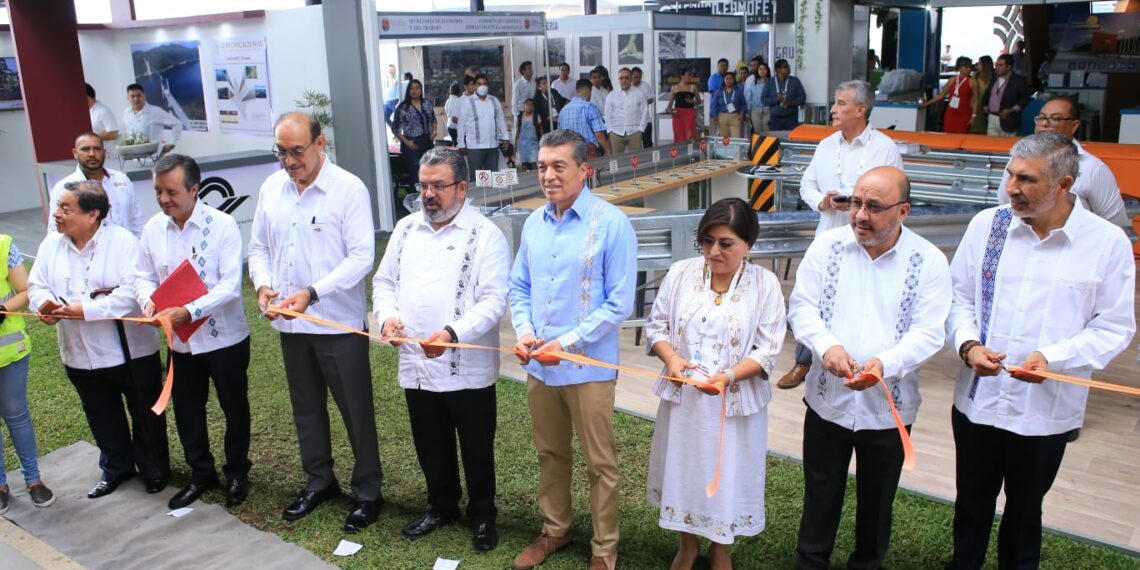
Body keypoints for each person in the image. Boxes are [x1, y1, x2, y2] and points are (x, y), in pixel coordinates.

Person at [944, 132, 1135, 570]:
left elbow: (1114, 327)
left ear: (1064, 184)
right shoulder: (988, 226)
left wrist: (1053, 357)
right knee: (971, 501)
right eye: (1010, 174)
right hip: (978, 400)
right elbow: (959, 299)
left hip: (1045, 410)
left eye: (1026, 179)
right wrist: (968, 345)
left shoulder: (1105, 243)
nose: (1011, 187)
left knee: (1026, 509)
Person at [788, 166, 952, 570]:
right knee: (820, 492)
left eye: (874, 207)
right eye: (856, 203)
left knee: (877, 501)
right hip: (827, 400)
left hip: (888, 406)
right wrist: (827, 346)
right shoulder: (826, 247)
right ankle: (811, 562)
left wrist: (885, 364)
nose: (860, 215)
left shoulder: (928, 261)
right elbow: (802, 306)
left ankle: (866, 563)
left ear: (903, 211)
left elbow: (930, 332)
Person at [509, 129, 637, 570]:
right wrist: (525, 331)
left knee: (600, 463)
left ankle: (604, 548)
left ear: (585, 170)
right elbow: (519, 286)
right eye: (542, 166)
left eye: (558, 166)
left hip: (588, 368)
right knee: (550, 453)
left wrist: (564, 344)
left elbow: (619, 302)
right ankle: (555, 529)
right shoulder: (533, 223)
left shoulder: (611, 223)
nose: (548, 175)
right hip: (540, 366)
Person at [248, 112, 382, 533]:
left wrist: (313, 292)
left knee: (355, 410)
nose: (289, 161)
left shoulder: (348, 189)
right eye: (281, 152)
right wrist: (263, 285)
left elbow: (361, 257)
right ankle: (318, 481)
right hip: (291, 325)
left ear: (320, 143)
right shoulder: (272, 188)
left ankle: (368, 492)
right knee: (306, 408)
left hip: (337, 324)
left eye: (297, 151)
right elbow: (258, 247)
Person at [373, 147, 511, 553]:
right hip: (417, 361)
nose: (428, 195)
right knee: (429, 440)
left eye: (438, 186)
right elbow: (384, 283)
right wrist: (387, 317)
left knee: (476, 445)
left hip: (466, 365)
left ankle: (483, 515)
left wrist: (452, 333)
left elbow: (493, 301)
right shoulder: (405, 230)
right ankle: (442, 506)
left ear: (462, 188)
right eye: (423, 186)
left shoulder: (486, 235)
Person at [645, 198, 786, 570]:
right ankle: (687, 544)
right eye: (706, 241)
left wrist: (728, 377)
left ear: (748, 244)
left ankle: (720, 546)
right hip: (685, 401)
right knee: (685, 469)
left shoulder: (765, 284)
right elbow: (656, 327)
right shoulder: (681, 273)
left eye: (726, 243)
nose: (713, 252)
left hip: (733, 405)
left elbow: (769, 349)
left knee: (728, 473)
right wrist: (672, 359)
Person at [28, 180, 170, 500]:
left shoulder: (123, 242)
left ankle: (154, 469)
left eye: (65, 208)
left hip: (130, 351)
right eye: (58, 207)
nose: (57, 214)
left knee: (145, 414)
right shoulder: (52, 244)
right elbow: (37, 285)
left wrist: (86, 310)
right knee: (101, 414)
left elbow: (132, 294)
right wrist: (45, 306)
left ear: (92, 214)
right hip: (79, 353)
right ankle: (116, 468)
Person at [135, 154, 252, 510]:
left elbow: (230, 286)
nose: (163, 199)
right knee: (187, 409)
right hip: (181, 342)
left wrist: (189, 311)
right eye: (158, 192)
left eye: (171, 192)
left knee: (234, 407)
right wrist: (149, 302)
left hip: (224, 338)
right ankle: (201, 474)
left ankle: (237, 473)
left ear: (194, 189)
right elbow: (142, 275)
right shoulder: (154, 228)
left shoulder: (222, 225)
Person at [776, 81, 904, 391]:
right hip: (828, 234)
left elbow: (896, 191)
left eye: (840, 103)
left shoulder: (884, 147)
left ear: (861, 109)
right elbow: (807, 185)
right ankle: (804, 361)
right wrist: (823, 202)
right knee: (813, 298)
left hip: (868, 241)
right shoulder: (826, 145)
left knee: (860, 298)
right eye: (834, 103)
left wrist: (862, 203)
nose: (833, 109)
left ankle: (864, 361)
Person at [996, 96, 1128, 228]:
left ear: (1074, 125)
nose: (1045, 123)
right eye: (1041, 117)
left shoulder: (1093, 168)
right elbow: (1005, 204)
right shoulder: (1019, 159)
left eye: (1055, 118)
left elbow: (1114, 224)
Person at [0, 232, 55, 512]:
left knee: (16, 415)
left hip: (9, 352)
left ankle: (34, 481)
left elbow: (25, 291)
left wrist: (2, 309)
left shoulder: (3, 244)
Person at [47, 132, 146, 237]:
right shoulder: (63, 188)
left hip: (125, 246)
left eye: (97, 149)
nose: (92, 154)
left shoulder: (121, 179)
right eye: (85, 149)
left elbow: (137, 220)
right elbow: (55, 231)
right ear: (75, 153)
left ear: (104, 152)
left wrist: (140, 245)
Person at [456, 74, 510, 180]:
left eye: (485, 84)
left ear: (488, 85)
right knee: (475, 179)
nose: (482, 86)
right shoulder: (467, 102)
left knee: (493, 177)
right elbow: (461, 125)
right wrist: (461, 144)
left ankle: (492, 192)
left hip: (492, 146)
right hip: (474, 147)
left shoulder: (494, 101)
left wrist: (506, 137)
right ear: (475, 86)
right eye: (479, 84)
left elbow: (501, 120)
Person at [393, 79, 437, 186]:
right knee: (416, 176)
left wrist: (434, 132)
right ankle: (416, 196)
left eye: (417, 88)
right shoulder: (403, 107)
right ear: (408, 90)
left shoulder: (427, 104)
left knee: (430, 173)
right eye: (412, 88)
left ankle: (429, 194)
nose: (414, 91)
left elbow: (433, 120)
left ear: (421, 90)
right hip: (411, 143)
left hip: (427, 141)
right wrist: (408, 143)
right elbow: (395, 128)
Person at [921, 56, 978, 134]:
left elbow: (976, 100)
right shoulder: (952, 80)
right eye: (966, 67)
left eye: (970, 67)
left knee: (962, 137)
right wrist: (926, 104)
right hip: (951, 114)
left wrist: (973, 116)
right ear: (959, 68)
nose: (969, 69)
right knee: (949, 136)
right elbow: (941, 95)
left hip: (964, 115)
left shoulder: (973, 81)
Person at [121, 83, 182, 157]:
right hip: (133, 156)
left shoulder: (155, 111)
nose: (136, 99)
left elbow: (177, 124)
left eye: (139, 95)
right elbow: (128, 132)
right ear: (128, 98)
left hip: (154, 156)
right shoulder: (127, 112)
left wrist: (172, 143)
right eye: (132, 96)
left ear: (144, 96)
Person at [982, 54, 1031, 137]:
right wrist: (985, 105)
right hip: (992, 118)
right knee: (991, 143)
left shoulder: (1018, 81)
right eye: (996, 65)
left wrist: (1012, 110)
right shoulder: (994, 78)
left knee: (1006, 145)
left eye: (1000, 65)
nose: (997, 68)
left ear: (1008, 67)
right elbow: (987, 94)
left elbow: (1025, 99)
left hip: (1008, 120)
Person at [558, 79, 610, 157]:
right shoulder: (590, 108)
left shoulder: (563, 111)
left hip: (569, 153)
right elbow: (599, 135)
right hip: (588, 152)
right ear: (588, 92)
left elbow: (560, 136)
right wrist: (609, 151)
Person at [604, 67, 647, 154]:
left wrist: (641, 129)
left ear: (631, 79)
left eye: (627, 78)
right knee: (616, 159)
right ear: (618, 79)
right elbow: (607, 114)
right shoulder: (612, 95)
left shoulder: (639, 93)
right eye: (621, 78)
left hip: (635, 132)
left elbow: (644, 112)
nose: (624, 80)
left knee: (636, 159)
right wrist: (609, 130)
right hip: (616, 133)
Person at [762, 59, 806, 131]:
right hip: (775, 119)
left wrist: (790, 103)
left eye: (788, 66)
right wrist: (777, 99)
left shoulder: (795, 81)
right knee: (775, 137)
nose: (788, 68)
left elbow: (802, 98)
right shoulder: (769, 82)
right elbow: (763, 99)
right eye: (785, 67)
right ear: (778, 70)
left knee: (791, 137)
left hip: (791, 118)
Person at [667, 68, 700, 143]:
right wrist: (670, 110)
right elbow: (670, 104)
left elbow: (699, 101)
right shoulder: (675, 87)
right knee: (679, 133)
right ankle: (680, 150)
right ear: (682, 76)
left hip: (689, 113)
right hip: (678, 113)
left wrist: (693, 101)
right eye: (688, 75)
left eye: (691, 75)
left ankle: (690, 149)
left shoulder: (693, 87)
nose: (690, 77)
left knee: (690, 133)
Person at [710, 70, 746, 138]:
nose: (729, 80)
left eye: (731, 78)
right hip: (722, 117)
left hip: (735, 117)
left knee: (736, 138)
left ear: (734, 80)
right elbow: (714, 105)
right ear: (724, 80)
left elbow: (743, 104)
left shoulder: (738, 91)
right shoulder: (719, 91)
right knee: (724, 140)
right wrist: (715, 116)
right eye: (726, 78)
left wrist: (741, 114)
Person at [86, 83, 119, 155]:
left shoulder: (103, 111)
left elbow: (113, 134)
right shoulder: (89, 112)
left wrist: (89, 137)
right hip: (94, 153)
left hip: (107, 155)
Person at [631, 67, 654, 148]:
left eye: (639, 77)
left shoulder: (645, 85)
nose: (637, 79)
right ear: (631, 77)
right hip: (633, 122)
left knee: (648, 144)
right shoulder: (628, 87)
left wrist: (645, 102)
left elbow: (651, 98)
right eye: (635, 77)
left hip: (646, 120)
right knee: (634, 146)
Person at [747, 62, 771, 137]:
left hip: (768, 109)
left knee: (768, 131)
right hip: (755, 110)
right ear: (757, 71)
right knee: (757, 132)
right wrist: (748, 112)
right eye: (760, 69)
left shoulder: (771, 82)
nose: (762, 71)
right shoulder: (753, 83)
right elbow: (749, 98)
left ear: (767, 70)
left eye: (764, 69)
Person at [516, 99, 541, 171]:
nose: (529, 107)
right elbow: (518, 129)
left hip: (533, 143)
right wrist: (516, 142)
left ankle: (535, 176)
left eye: (531, 105)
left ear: (533, 107)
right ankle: (524, 177)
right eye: (527, 105)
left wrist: (541, 141)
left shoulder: (536, 116)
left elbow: (540, 129)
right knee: (523, 163)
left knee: (534, 162)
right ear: (523, 106)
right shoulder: (520, 116)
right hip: (522, 144)